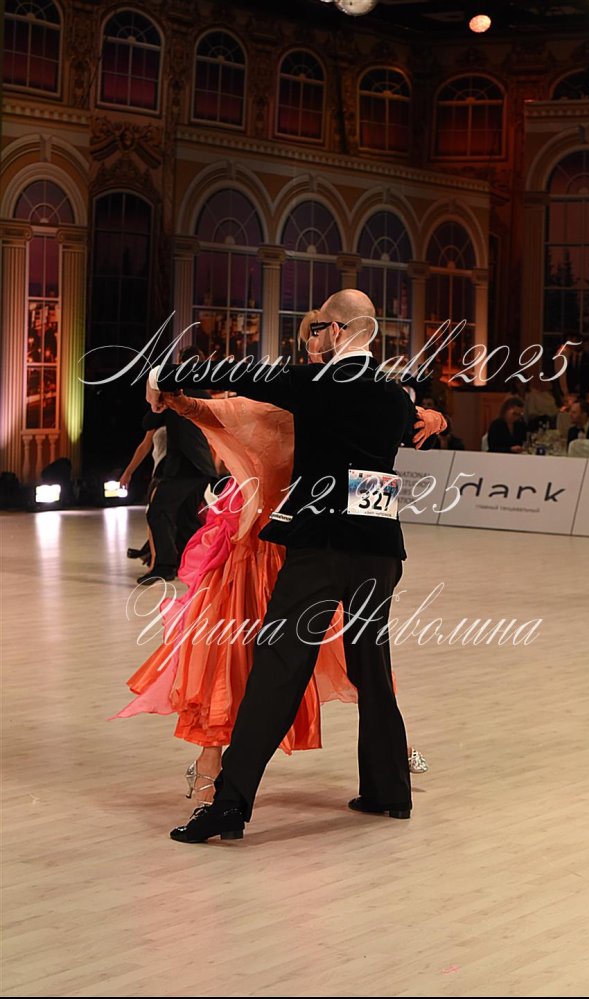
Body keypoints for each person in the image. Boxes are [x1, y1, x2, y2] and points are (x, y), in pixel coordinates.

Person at [149, 289, 444, 842]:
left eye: (319, 328)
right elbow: (416, 426)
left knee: (278, 668)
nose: (314, 337)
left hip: (321, 549)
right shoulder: (393, 395)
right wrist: (435, 417)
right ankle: (389, 792)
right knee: (372, 668)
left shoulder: (315, 383)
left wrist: (167, 375)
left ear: (338, 331)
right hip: (380, 551)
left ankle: (230, 806)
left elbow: (234, 374)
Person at [139, 347, 217, 585]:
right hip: (201, 468)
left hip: (184, 467)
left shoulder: (174, 393)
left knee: (158, 511)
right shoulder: (203, 395)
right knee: (187, 518)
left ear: (181, 363)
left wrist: (158, 400)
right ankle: (193, 565)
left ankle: (166, 566)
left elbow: (149, 421)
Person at [121, 425, 167, 564]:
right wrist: (128, 472)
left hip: (181, 474)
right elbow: (145, 446)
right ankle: (155, 560)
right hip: (160, 473)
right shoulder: (156, 419)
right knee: (154, 515)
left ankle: (161, 560)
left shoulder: (185, 417)